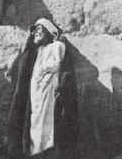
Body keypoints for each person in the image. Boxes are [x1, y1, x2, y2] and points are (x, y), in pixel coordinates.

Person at [6, 18, 78, 159]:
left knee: (47, 128)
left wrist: (45, 70)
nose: (36, 33)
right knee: (34, 125)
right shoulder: (36, 52)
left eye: (40, 29)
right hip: (35, 94)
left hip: (48, 92)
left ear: (49, 32)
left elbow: (58, 65)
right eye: (35, 30)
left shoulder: (57, 46)